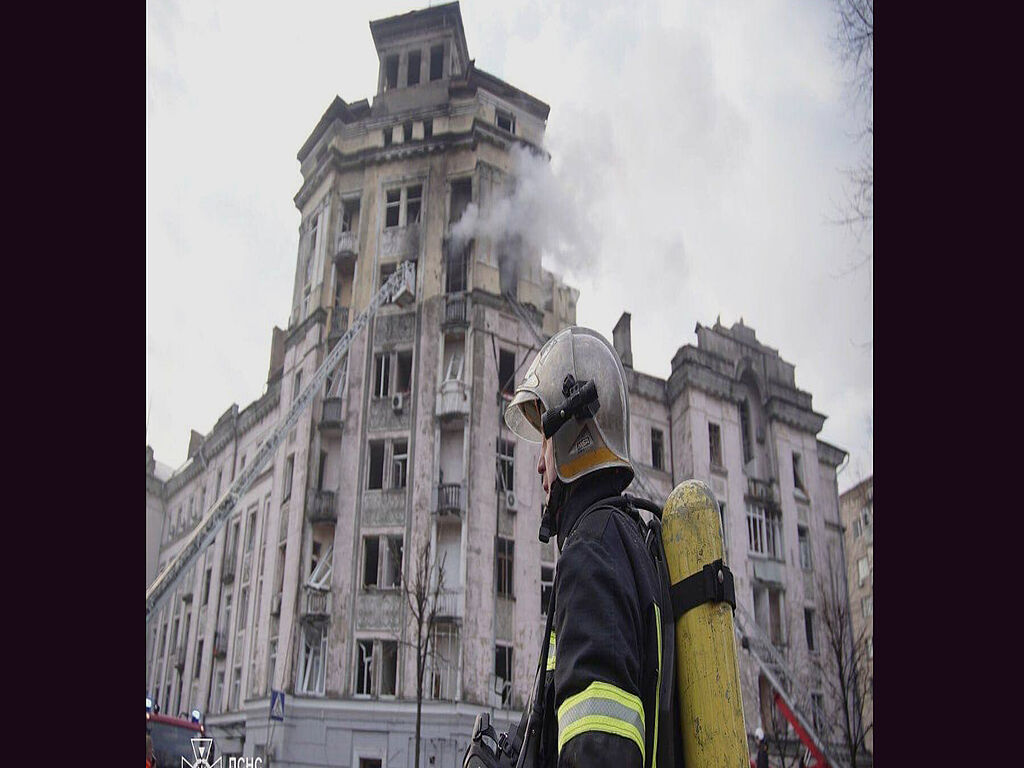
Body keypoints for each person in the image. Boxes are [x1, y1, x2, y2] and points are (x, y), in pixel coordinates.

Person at [503, 326, 672, 768]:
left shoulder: (592, 553)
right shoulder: (625, 540)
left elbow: (598, 752)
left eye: (543, 440)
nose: (539, 462)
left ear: (571, 431)